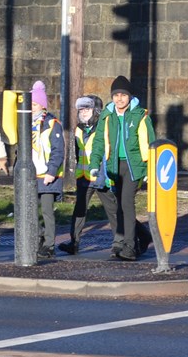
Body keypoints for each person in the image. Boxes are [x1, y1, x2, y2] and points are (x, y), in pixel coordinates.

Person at [88, 75, 156, 261]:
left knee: (127, 203)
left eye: (123, 95)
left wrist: (151, 168)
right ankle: (141, 235)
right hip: (113, 166)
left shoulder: (140, 115)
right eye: (116, 95)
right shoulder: (107, 116)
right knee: (119, 206)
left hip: (133, 166)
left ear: (129, 96)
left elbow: (150, 142)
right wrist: (94, 164)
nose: (119, 98)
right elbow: (99, 141)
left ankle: (130, 247)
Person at [58, 95, 119, 255]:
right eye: (81, 109)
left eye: (87, 109)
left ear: (96, 110)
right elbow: (78, 153)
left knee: (112, 210)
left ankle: (119, 242)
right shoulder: (79, 128)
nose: (83, 112)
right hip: (84, 177)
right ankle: (74, 242)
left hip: (101, 177)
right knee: (79, 210)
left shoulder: (103, 127)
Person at [29, 81, 65, 258]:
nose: (31, 107)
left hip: (47, 175)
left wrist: (51, 172)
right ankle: (39, 237)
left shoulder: (52, 125)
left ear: (42, 106)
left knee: (47, 211)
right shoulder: (27, 124)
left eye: (34, 104)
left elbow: (58, 151)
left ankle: (50, 244)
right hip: (32, 175)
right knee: (31, 210)